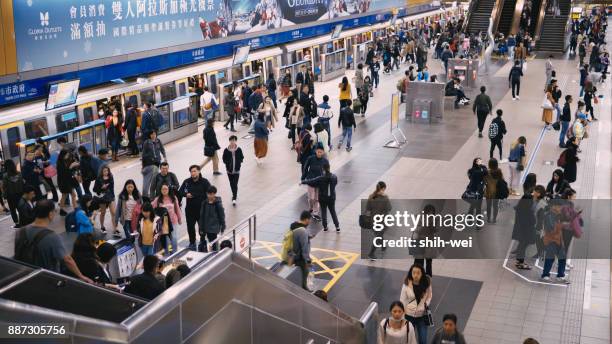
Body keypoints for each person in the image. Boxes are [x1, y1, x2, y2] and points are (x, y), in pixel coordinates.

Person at [13, 200, 92, 283]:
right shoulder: (51, 236)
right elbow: (67, 259)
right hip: (47, 279)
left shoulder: (20, 232)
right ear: (50, 214)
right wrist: (81, 276)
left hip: (26, 276)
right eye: (54, 211)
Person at [179, 165, 210, 250]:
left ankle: (203, 241)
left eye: (194, 171)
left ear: (199, 171)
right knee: (190, 227)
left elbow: (210, 193)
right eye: (191, 172)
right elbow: (180, 192)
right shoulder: (187, 182)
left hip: (201, 210)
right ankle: (192, 242)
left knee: (202, 228)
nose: (193, 173)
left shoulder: (205, 182)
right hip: (190, 210)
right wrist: (186, 194)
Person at [302, 163, 339, 232]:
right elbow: (335, 184)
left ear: (323, 169)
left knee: (324, 212)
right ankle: (337, 227)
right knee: (333, 212)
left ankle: (325, 227)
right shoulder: (334, 177)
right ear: (329, 168)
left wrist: (303, 181)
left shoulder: (321, 178)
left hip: (323, 198)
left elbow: (311, 181)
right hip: (331, 197)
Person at [400, 264, 432, 344]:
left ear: (422, 274)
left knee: (423, 341)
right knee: (408, 340)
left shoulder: (427, 283)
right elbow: (402, 300)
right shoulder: (406, 284)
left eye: (418, 273)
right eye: (413, 273)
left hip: (422, 316)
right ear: (411, 273)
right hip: (409, 316)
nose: (416, 275)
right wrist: (402, 317)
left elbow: (429, 296)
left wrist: (425, 305)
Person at [541, 199, 569, 283]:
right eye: (559, 207)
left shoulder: (559, 215)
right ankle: (545, 275)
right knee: (550, 257)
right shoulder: (548, 216)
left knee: (562, 257)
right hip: (551, 240)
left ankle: (560, 275)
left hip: (559, 239)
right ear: (554, 206)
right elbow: (551, 229)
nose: (561, 208)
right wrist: (562, 225)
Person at [152, 183, 181, 254]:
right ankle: (170, 251)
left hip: (173, 220)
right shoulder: (158, 199)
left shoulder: (173, 198)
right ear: (160, 190)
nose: (164, 190)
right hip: (164, 222)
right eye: (163, 189)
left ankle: (174, 252)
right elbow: (151, 207)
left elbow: (177, 209)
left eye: (166, 189)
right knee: (167, 240)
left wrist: (179, 219)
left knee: (174, 238)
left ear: (168, 189)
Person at [366, 181, 392, 261]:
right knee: (378, 236)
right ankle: (371, 253)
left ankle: (383, 246)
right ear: (383, 188)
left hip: (373, 221)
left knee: (378, 235)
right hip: (382, 222)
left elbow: (368, 209)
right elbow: (389, 208)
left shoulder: (371, 196)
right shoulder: (385, 198)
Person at [288, 210, 312, 290]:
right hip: (299, 255)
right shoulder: (303, 231)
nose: (310, 222)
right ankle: (304, 288)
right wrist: (307, 259)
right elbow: (304, 247)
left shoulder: (293, 225)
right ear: (306, 219)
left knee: (290, 269)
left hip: (291, 253)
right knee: (305, 271)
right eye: (310, 220)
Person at [198, 186, 226, 252]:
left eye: (211, 194)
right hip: (206, 227)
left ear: (214, 194)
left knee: (213, 241)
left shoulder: (218, 204)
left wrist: (223, 226)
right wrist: (201, 227)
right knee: (209, 240)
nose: (209, 196)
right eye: (208, 194)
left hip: (214, 228)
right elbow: (201, 216)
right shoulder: (204, 203)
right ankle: (212, 251)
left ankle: (215, 252)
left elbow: (222, 216)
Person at [92, 166, 118, 235]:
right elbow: (94, 189)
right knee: (103, 212)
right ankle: (102, 226)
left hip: (110, 196)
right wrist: (101, 188)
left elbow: (112, 188)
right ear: (101, 172)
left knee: (113, 213)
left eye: (107, 171)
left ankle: (115, 228)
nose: (106, 172)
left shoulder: (111, 177)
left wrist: (113, 197)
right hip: (102, 197)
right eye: (104, 171)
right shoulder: (98, 179)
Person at [141, 130, 167, 199]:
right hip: (149, 163)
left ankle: (152, 196)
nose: (153, 135)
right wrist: (142, 166)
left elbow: (162, 149)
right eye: (152, 134)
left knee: (154, 180)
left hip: (157, 162)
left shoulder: (158, 141)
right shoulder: (147, 142)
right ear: (150, 135)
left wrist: (165, 157)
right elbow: (143, 155)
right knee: (148, 180)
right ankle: (146, 196)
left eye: (154, 134)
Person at [222, 135, 244, 205]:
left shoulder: (239, 149)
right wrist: (227, 164)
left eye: (234, 140)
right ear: (229, 141)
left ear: (235, 141)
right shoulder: (226, 150)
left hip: (237, 171)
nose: (232, 142)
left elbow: (242, 157)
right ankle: (234, 194)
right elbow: (224, 158)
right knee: (232, 184)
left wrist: (239, 163)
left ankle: (234, 197)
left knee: (235, 183)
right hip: (229, 171)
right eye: (231, 140)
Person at [56, 149, 79, 216]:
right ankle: (64, 209)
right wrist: (71, 167)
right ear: (63, 155)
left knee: (71, 195)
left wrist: (72, 166)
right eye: (66, 155)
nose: (68, 156)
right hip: (64, 182)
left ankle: (75, 209)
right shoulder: (60, 163)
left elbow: (68, 171)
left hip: (68, 181)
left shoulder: (64, 161)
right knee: (65, 195)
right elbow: (64, 173)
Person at [2, 159, 25, 226]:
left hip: (11, 196)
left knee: (12, 210)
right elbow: (22, 184)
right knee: (20, 207)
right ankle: (23, 220)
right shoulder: (19, 173)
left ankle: (17, 223)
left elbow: (5, 187)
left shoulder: (5, 176)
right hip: (20, 193)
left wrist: (4, 196)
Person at [484, 158, 506, 223]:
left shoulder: (487, 171)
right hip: (497, 191)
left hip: (489, 191)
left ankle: (488, 219)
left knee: (488, 205)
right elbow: (503, 180)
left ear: (489, 164)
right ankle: (494, 219)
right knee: (495, 206)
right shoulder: (499, 171)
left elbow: (484, 180)